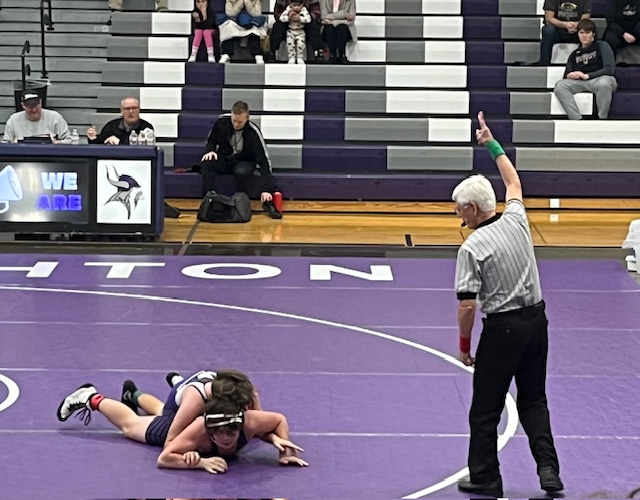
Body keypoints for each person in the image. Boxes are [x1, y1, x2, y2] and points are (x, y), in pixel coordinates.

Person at [453, 112, 563, 496]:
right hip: (538, 323)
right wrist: (491, 143)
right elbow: (513, 181)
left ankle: (485, 477)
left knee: (485, 407)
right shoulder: (516, 218)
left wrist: (465, 347)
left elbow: (467, 306)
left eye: (458, 208)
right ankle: (549, 470)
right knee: (534, 398)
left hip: (503, 330)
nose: (456, 214)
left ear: (471, 209)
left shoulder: (472, 247)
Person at [56, 369, 259, 448]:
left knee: (164, 412)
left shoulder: (240, 391)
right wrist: (194, 455)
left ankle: (133, 394)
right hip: (184, 397)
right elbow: (171, 439)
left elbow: (257, 420)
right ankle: (90, 397)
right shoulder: (195, 400)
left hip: (195, 391)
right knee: (137, 424)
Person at [157, 396, 308, 472]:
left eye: (231, 432)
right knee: (132, 425)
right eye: (220, 433)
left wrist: (284, 453)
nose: (226, 438)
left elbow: (279, 420)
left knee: (159, 409)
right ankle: (135, 394)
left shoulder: (249, 422)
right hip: (167, 429)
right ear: (210, 433)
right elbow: (163, 459)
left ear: (240, 428)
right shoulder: (199, 429)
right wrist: (201, 463)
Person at [197, 101, 282, 219]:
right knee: (207, 163)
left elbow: (263, 161)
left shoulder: (253, 132)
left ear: (247, 118)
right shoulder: (221, 122)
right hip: (226, 158)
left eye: (240, 122)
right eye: (234, 121)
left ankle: (241, 203)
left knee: (241, 171)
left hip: (245, 161)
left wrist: (267, 189)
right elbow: (211, 140)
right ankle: (208, 200)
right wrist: (210, 151)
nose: (236, 125)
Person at [554, 19, 618, 120]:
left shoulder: (602, 45)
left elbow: (609, 69)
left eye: (587, 32)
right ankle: (576, 119)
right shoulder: (575, 53)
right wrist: (570, 75)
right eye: (581, 32)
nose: (584, 36)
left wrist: (588, 76)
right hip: (581, 82)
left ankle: (602, 118)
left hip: (599, 79)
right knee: (560, 85)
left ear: (593, 34)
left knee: (605, 82)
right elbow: (566, 74)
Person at [525, 0, 591, 66]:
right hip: (557, 32)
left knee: (586, 28)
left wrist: (577, 25)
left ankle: (586, 62)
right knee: (548, 30)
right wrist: (565, 25)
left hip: (576, 31)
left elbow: (585, 19)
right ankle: (544, 62)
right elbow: (549, 19)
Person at [2, 92, 71, 143]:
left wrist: (57, 143)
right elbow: (5, 145)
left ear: (40, 102)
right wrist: (13, 145)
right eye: (30, 107)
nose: (34, 110)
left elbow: (70, 141)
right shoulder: (13, 120)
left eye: (36, 105)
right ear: (23, 106)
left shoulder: (55, 117)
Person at [87, 97, 155, 145]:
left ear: (139, 110)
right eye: (127, 109)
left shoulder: (147, 127)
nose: (131, 111)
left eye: (134, 108)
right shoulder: (111, 126)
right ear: (121, 111)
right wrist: (92, 138)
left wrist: (119, 144)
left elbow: (145, 150)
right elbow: (99, 146)